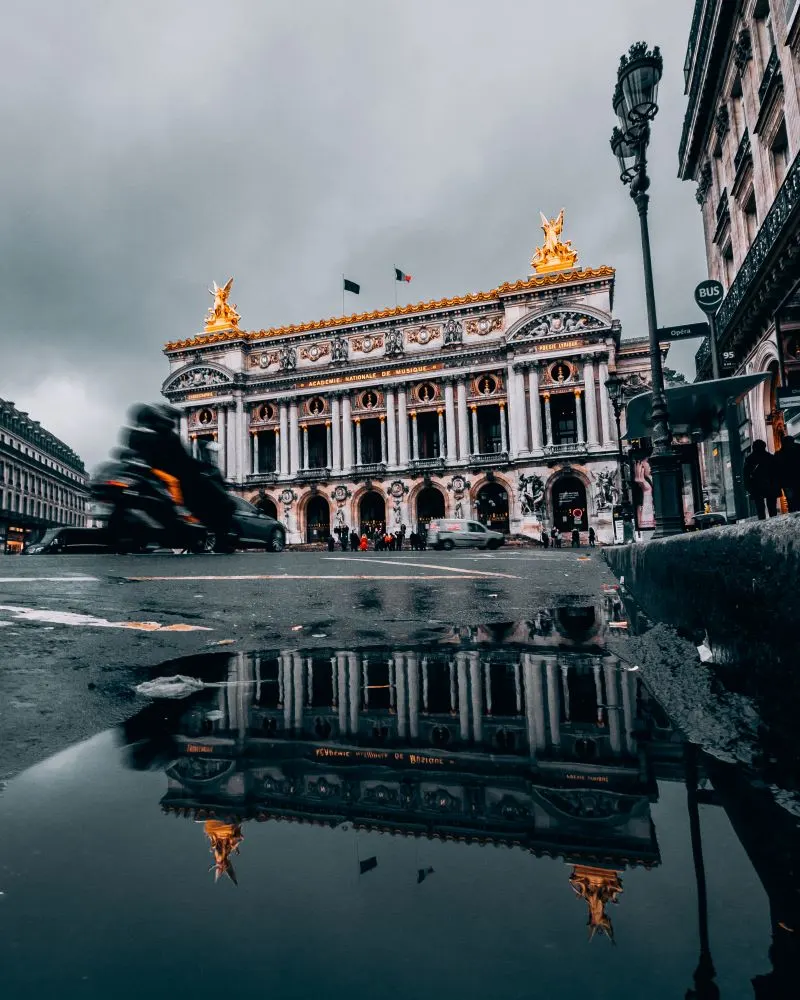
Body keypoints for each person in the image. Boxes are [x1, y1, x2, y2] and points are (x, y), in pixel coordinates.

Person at [743, 439, 779, 520]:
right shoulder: (770, 457)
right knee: (772, 506)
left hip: (756, 485)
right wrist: (777, 485)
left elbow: (746, 475)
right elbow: (776, 472)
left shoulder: (750, 459)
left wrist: (748, 487)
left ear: (754, 447)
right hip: (770, 484)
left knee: (760, 507)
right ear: (764, 447)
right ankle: (773, 520)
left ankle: (762, 521)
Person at [775, 435, 800, 513]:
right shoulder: (797, 450)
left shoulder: (779, 454)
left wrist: (779, 483)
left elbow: (777, 471)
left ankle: (793, 514)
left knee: (791, 501)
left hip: (787, 483)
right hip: (796, 479)